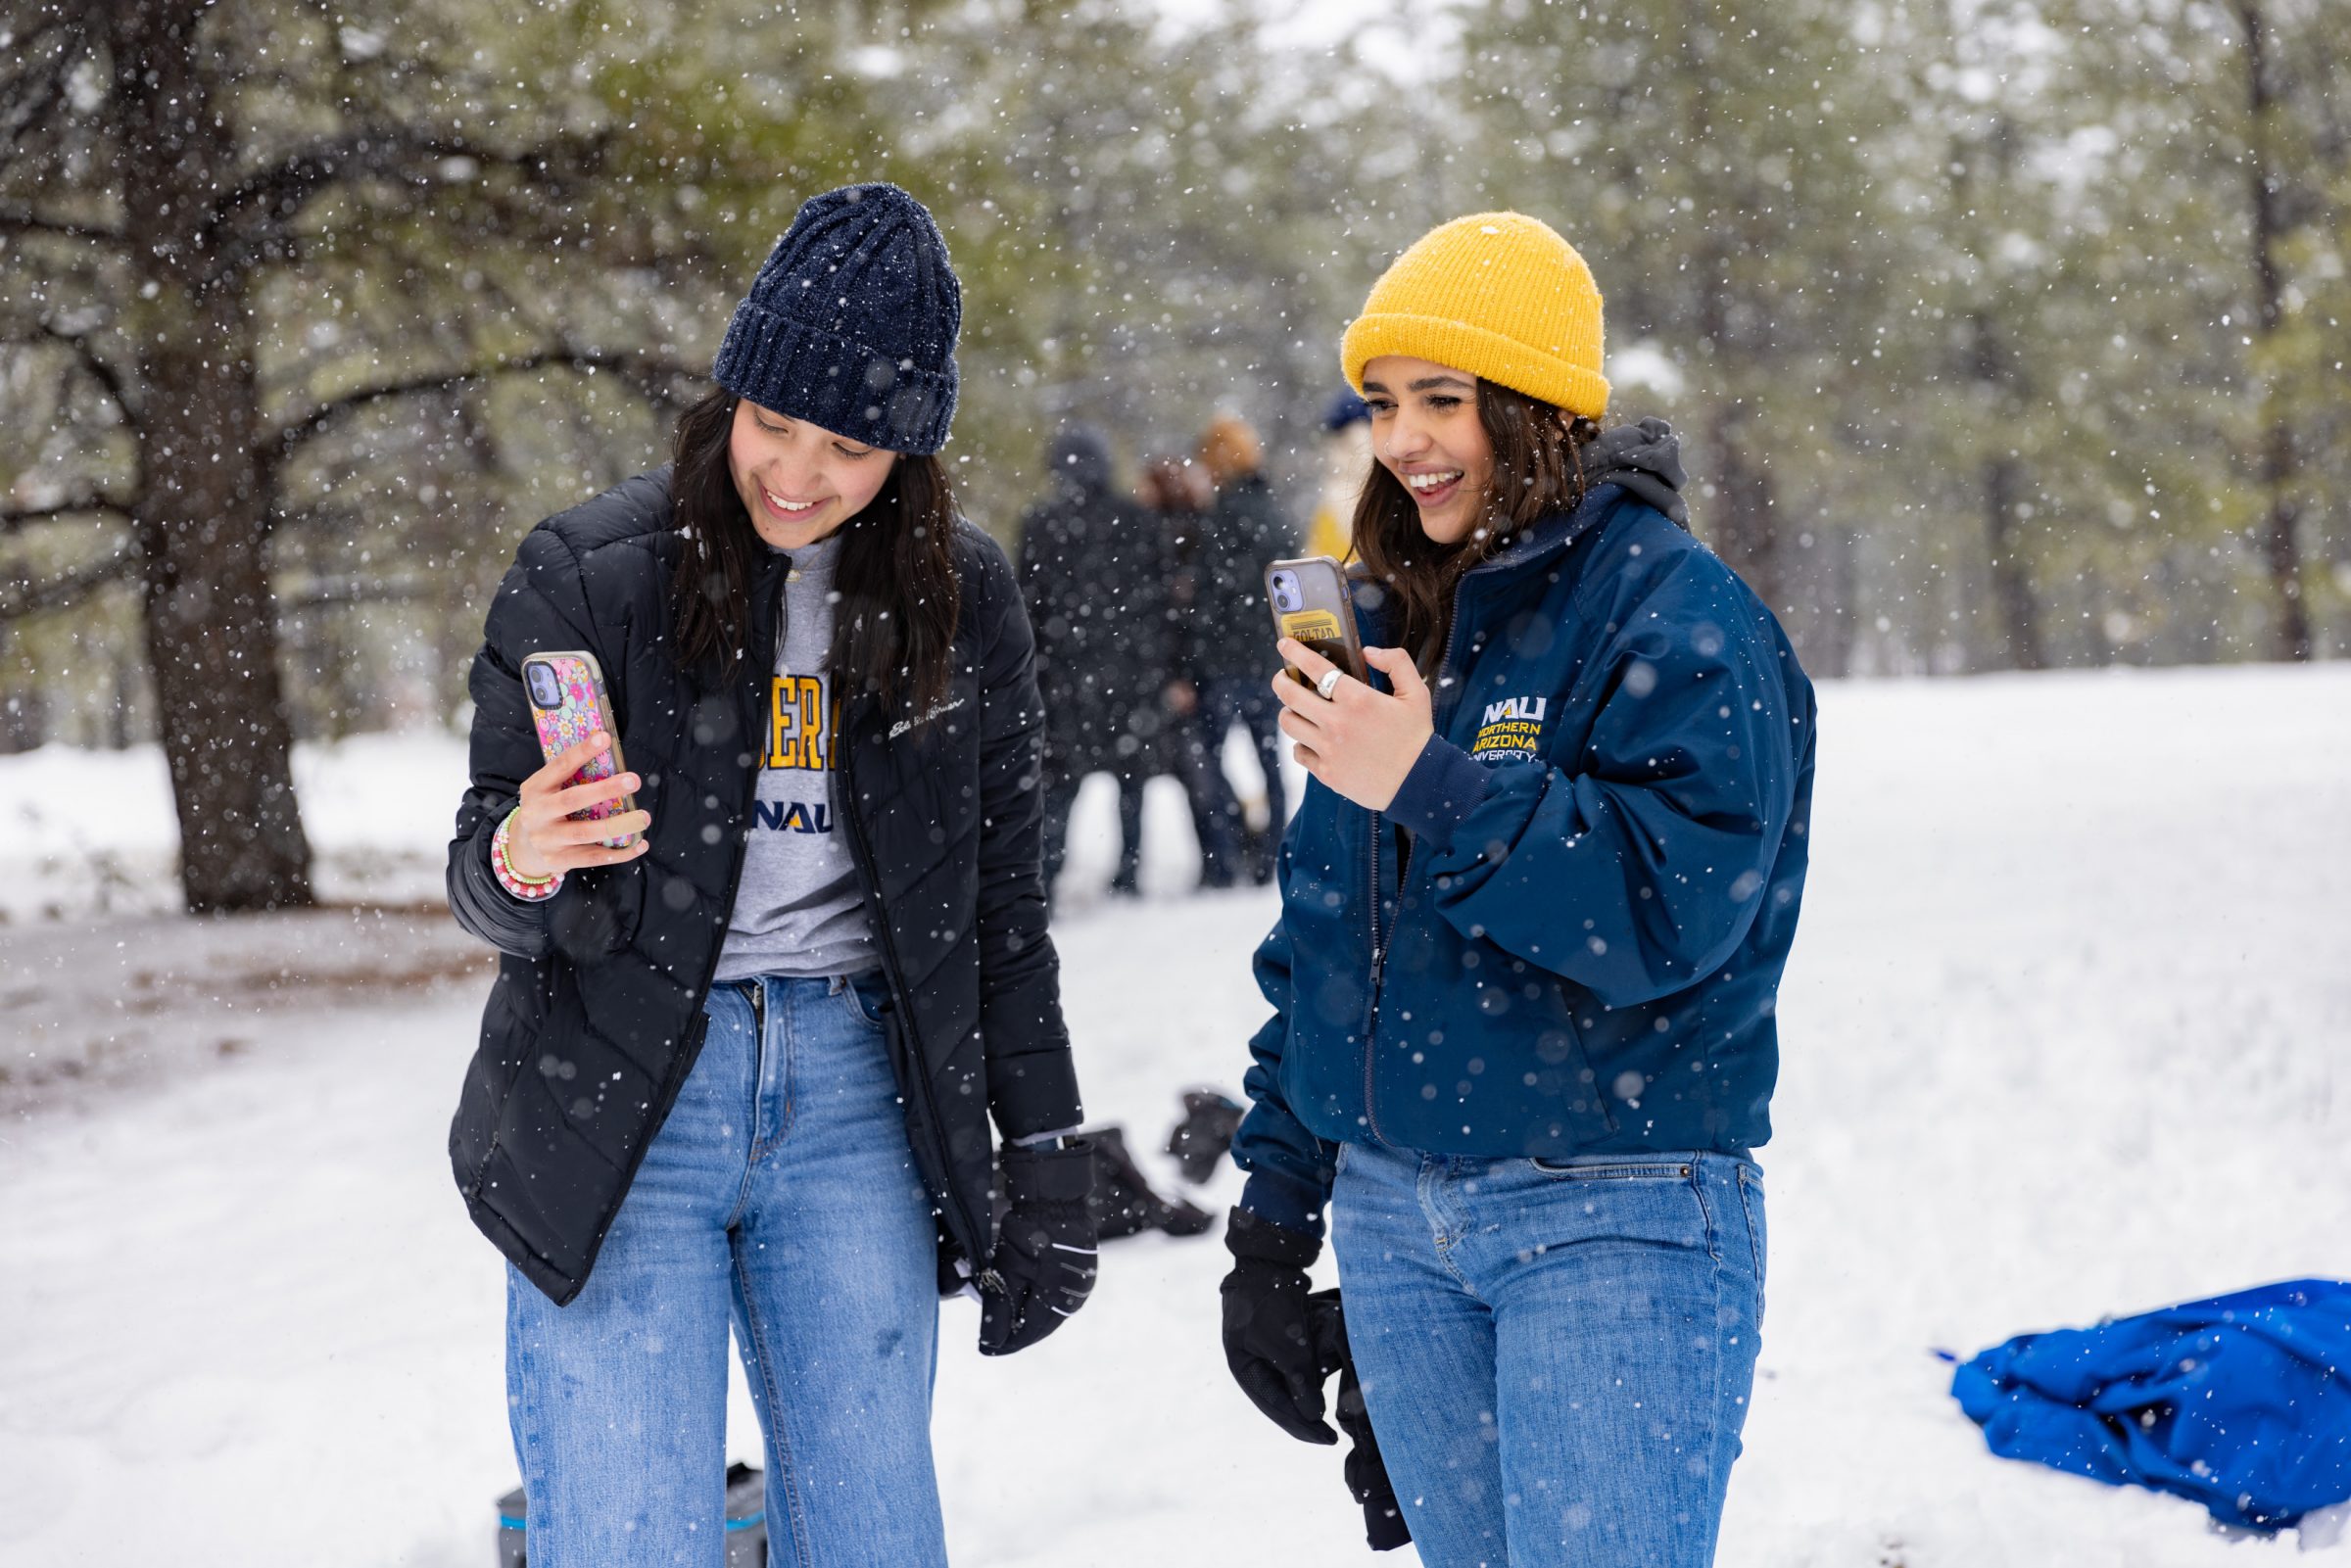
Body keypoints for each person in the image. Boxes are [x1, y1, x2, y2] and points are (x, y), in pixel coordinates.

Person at [444, 183, 1096, 1568]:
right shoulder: (591, 572)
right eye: (773, 425)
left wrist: (1044, 1158)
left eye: (851, 445)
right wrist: (523, 853)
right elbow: (484, 876)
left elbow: (1001, 910)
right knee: (627, 1537)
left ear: (911, 454)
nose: (799, 474)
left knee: (875, 1537)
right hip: (624, 1092)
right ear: (727, 400)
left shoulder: (964, 600)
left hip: (858, 1101)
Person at [1217, 211, 1817, 1567]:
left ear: (1541, 407)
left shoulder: (1679, 614)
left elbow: (1666, 912)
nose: (1406, 439)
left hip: (1613, 1208)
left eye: (1446, 398)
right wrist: (1273, 1212)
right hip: (1395, 1224)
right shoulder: (1395, 617)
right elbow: (1329, 939)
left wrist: (1428, 783)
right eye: (1383, 403)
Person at [1016, 426, 1176, 901]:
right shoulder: (1137, 519)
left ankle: (1046, 875)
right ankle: (1128, 872)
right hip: (1130, 672)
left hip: (1064, 675)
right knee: (1131, 780)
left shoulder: (1040, 523)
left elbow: (1027, 606)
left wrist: (1032, 668)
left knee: (1060, 783)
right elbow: (1160, 603)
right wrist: (1159, 665)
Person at [1187, 414, 1295, 886]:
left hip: (1223, 660)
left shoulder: (1219, 517)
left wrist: (1197, 652)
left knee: (1209, 760)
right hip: (1268, 656)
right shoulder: (1276, 512)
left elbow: (1211, 595)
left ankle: (1225, 857)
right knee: (1268, 758)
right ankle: (1271, 855)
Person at [1299, 389, 1371, 563]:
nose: (1337, 457)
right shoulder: (1332, 501)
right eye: (1341, 445)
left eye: (1348, 446)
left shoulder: (1392, 501)